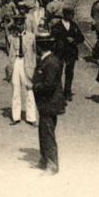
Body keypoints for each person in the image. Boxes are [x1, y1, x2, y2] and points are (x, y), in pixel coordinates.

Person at [32, 29, 66, 174]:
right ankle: (44, 159)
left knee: (47, 133)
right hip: (46, 103)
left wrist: (34, 86)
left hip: (49, 102)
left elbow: (49, 85)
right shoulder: (47, 59)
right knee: (43, 131)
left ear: (40, 46)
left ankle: (52, 164)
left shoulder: (50, 62)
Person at [8, 14, 37, 126]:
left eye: (21, 23)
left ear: (24, 24)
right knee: (16, 89)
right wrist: (9, 67)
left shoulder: (31, 36)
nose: (19, 26)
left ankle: (31, 117)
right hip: (16, 63)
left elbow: (34, 53)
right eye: (17, 23)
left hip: (27, 63)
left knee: (29, 90)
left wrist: (34, 67)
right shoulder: (12, 37)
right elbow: (10, 53)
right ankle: (16, 116)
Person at [51, 6, 84, 102]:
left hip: (71, 52)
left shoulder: (74, 25)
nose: (72, 17)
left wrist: (74, 40)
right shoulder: (56, 26)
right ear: (65, 15)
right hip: (60, 52)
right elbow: (52, 38)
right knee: (59, 72)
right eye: (71, 15)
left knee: (69, 72)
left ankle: (67, 92)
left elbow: (81, 38)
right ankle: (59, 92)